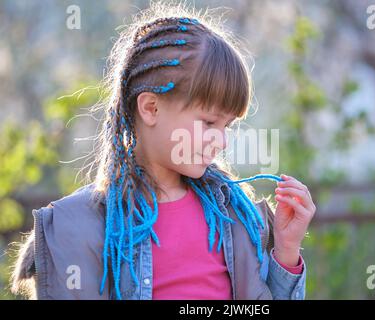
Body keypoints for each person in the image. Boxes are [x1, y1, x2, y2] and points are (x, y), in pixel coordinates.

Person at [11, 4, 316, 300]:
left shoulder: (237, 217)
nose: (221, 142)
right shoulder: (76, 228)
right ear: (151, 108)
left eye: (228, 126)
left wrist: (286, 250)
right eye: (209, 122)